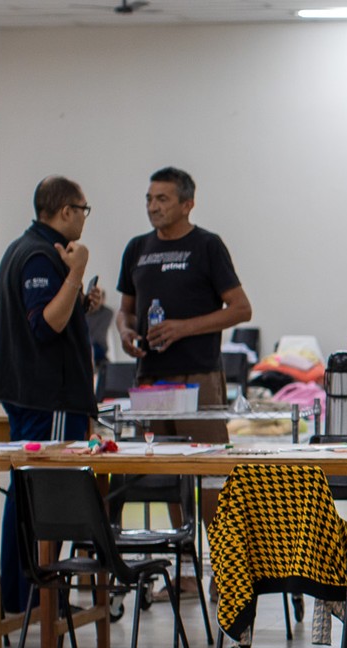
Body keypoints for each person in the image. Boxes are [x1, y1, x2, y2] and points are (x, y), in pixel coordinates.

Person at [0, 176, 104, 614]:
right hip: (48, 396)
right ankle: (35, 600)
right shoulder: (41, 255)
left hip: (34, 392)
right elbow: (44, 325)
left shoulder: (26, 248)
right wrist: (76, 272)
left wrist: (80, 300)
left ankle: (25, 597)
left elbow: (52, 315)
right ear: (64, 212)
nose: (83, 218)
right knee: (46, 500)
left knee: (27, 496)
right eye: (83, 209)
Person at [118, 166, 252, 446]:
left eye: (162, 199)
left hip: (197, 376)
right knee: (155, 471)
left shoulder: (207, 246)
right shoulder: (136, 248)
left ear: (187, 205)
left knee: (207, 467)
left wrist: (183, 328)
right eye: (149, 199)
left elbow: (241, 308)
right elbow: (125, 311)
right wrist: (125, 332)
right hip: (150, 377)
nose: (153, 207)